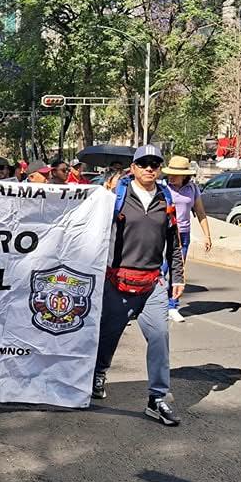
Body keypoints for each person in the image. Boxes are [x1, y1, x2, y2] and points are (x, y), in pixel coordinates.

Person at [92, 144, 185, 427]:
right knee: (109, 335)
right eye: (143, 163)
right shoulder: (115, 197)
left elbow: (174, 241)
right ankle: (98, 373)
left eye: (154, 164)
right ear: (132, 168)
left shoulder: (165, 197)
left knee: (159, 337)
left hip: (152, 283)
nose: (149, 168)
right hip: (116, 281)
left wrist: (178, 276)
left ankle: (157, 398)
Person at [161, 156, 213, 322]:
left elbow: (200, 212)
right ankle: (151, 303)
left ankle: (172, 305)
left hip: (183, 235)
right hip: (165, 233)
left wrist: (207, 235)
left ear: (185, 175)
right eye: (170, 173)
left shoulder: (192, 188)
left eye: (176, 174)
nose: (172, 177)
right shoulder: (162, 187)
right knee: (161, 269)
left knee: (178, 270)